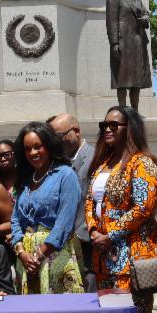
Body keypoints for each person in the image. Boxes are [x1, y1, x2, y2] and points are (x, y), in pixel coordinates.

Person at [84, 107, 157, 313]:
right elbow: (91, 201)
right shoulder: (103, 163)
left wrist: (111, 234)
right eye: (104, 123)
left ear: (130, 127)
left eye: (114, 124)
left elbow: (144, 208)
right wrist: (92, 228)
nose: (107, 129)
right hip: (104, 261)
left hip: (132, 260)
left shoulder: (142, 163)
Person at [10, 121, 84, 294]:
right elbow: (15, 220)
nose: (33, 153)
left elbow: (64, 224)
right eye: (27, 149)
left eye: (38, 147)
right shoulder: (26, 179)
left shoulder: (66, 174)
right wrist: (21, 252)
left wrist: (38, 255)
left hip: (55, 256)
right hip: (26, 261)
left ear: (49, 146)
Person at [49, 113, 95, 279]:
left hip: (88, 248)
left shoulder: (96, 159)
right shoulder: (54, 164)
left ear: (76, 131)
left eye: (59, 136)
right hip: (62, 251)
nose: (55, 142)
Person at [106, 0, 153, 110]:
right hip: (123, 41)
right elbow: (111, 20)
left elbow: (144, 12)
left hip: (137, 41)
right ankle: (122, 110)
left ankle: (135, 111)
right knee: (122, 79)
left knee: (136, 80)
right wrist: (114, 43)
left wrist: (145, 18)